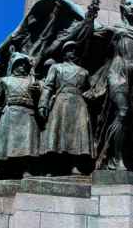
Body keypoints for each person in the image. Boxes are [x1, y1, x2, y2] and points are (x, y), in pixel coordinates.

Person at [38, 41, 94, 176]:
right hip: (61, 102)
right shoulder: (56, 68)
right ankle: (54, 166)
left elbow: (91, 89)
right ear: (64, 53)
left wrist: (90, 93)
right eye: (70, 50)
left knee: (78, 135)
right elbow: (48, 87)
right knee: (58, 133)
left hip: (79, 104)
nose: (73, 52)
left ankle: (75, 165)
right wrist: (43, 104)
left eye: (75, 50)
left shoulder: (84, 72)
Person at [0, 53, 41, 179]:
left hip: (27, 113)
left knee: (27, 145)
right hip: (10, 113)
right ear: (13, 66)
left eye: (24, 65)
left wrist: (37, 93)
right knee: (5, 145)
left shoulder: (32, 81)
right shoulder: (5, 81)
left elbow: (39, 101)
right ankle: (0, 171)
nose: (22, 67)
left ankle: (26, 169)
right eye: (19, 64)